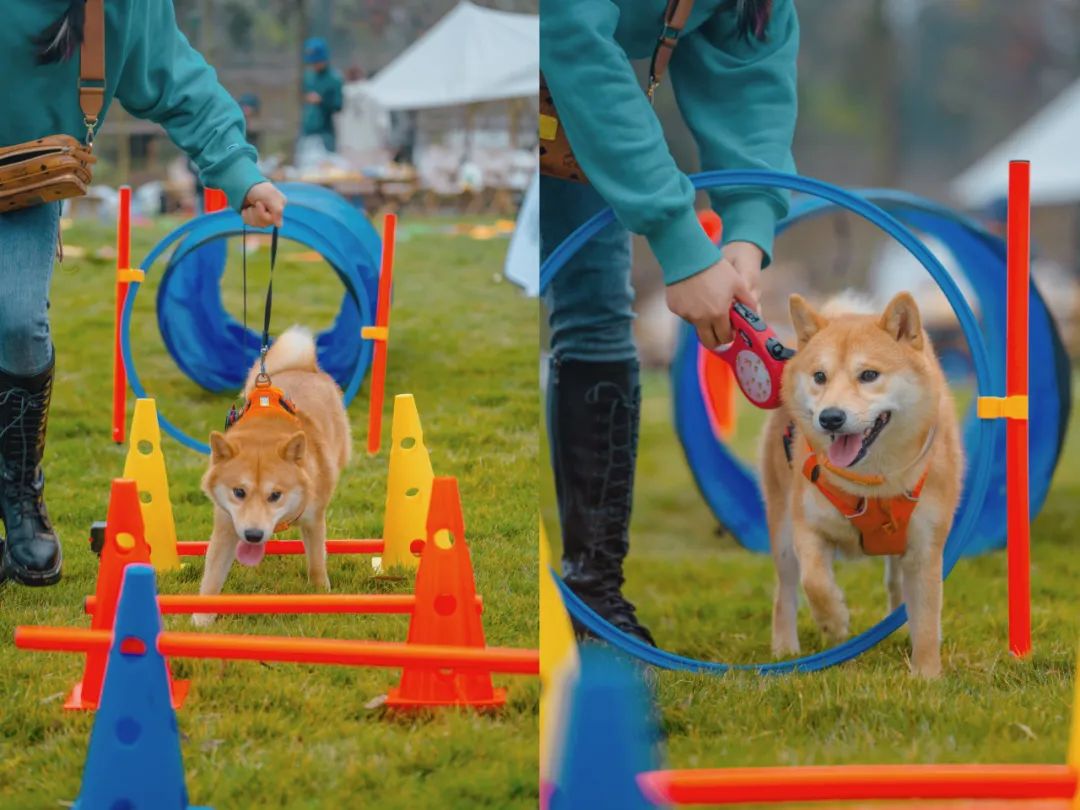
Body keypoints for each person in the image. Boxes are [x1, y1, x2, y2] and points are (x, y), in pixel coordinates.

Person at [0, 0, 286, 586]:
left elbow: (178, 79)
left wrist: (240, 172)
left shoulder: (126, 6)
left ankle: (19, 494)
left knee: (18, 325)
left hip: (22, 184)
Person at [540, 0, 799, 644]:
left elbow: (749, 59)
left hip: (578, 110)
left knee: (598, 318)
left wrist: (747, 226)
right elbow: (567, 31)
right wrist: (680, 240)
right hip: (530, 70)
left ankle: (593, 601)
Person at [301, 37, 344, 153]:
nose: (314, 65)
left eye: (317, 62)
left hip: (325, 133)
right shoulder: (309, 77)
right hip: (307, 131)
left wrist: (321, 101)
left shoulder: (334, 79)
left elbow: (338, 105)